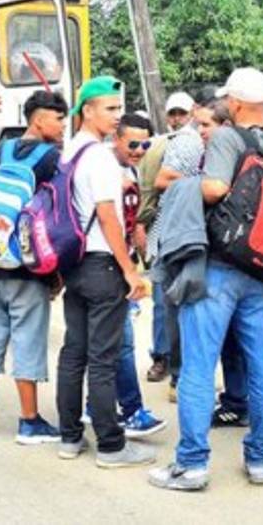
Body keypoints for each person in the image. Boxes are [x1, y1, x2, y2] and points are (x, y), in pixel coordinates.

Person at [150, 68, 263, 492]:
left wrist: (186, 186)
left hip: (221, 267)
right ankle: (261, 459)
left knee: (197, 366)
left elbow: (212, 189)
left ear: (238, 103)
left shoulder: (228, 138)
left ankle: (192, 465)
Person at [55, 76, 153, 469]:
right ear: (87, 110)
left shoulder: (69, 152)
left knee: (73, 353)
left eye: (117, 108)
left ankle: (69, 437)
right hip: (102, 264)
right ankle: (111, 446)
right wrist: (129, 270)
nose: (116, 116)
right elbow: (110, 216)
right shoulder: (98, 156)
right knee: (103, 358)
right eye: (110, 109)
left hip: (74, 264)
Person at [0, 91, 68, 443]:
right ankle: (29, 421)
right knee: (28, 341)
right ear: (39, 120)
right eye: (58, 118)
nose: (63, 125)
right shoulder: (52, 158)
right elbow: (54, 215)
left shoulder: (1, 151)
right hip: (26, 267)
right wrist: (56, 270)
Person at [106, 112, 167, 438]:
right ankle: (131, 411)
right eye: (132, 143)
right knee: (123, 345)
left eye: (144, 143)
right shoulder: (102, 168)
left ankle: (95, 406)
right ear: (116, 138)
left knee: (103, 345)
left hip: (121, 265)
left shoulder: (131, 170)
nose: (139, 149)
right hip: (108, 269)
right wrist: (129, 272)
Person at [144, 98, 212, 384]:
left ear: (192, 112)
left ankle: (180, 370)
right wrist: (201, 184)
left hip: (186, 232)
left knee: (180, 302)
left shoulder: (192, 142)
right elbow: (159, 183)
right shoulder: (184, 143)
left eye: (181, 112)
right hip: (169, 232)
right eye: (171, 112)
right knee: (167, 303)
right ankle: (170, 364)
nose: (176, 117)